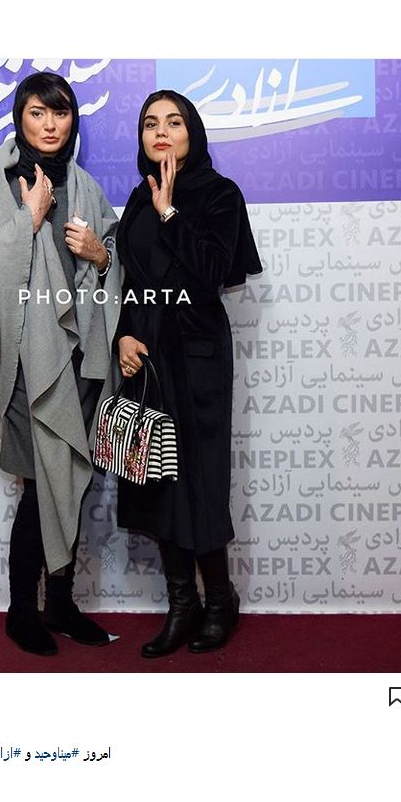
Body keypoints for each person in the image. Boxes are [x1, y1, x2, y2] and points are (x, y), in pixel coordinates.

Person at [0, 73, 122, 656]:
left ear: (73, 120)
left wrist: (101, 256)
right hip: (28, 360)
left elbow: (115, 262)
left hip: (81, 356)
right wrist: (26, 221)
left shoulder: (85, 186)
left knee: (72, 478)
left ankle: (62, 604)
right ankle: (22, 610)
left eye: (61, 112)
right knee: (38, 484)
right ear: (19, 118)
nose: (50, 124)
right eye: (37, 112)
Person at [115, 90, 262, 658]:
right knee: (156, 478)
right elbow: (132, 281)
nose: (161, 132)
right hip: (147, 356)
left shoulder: (221, 194)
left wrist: (170, 212)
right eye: (150, 123)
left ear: (192, 134)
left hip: (197, 355)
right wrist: (124, 334)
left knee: (199, 478)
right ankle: (182, 605)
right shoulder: (137, 196)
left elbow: (213, 272)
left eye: (174, 122)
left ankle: (220, 600)